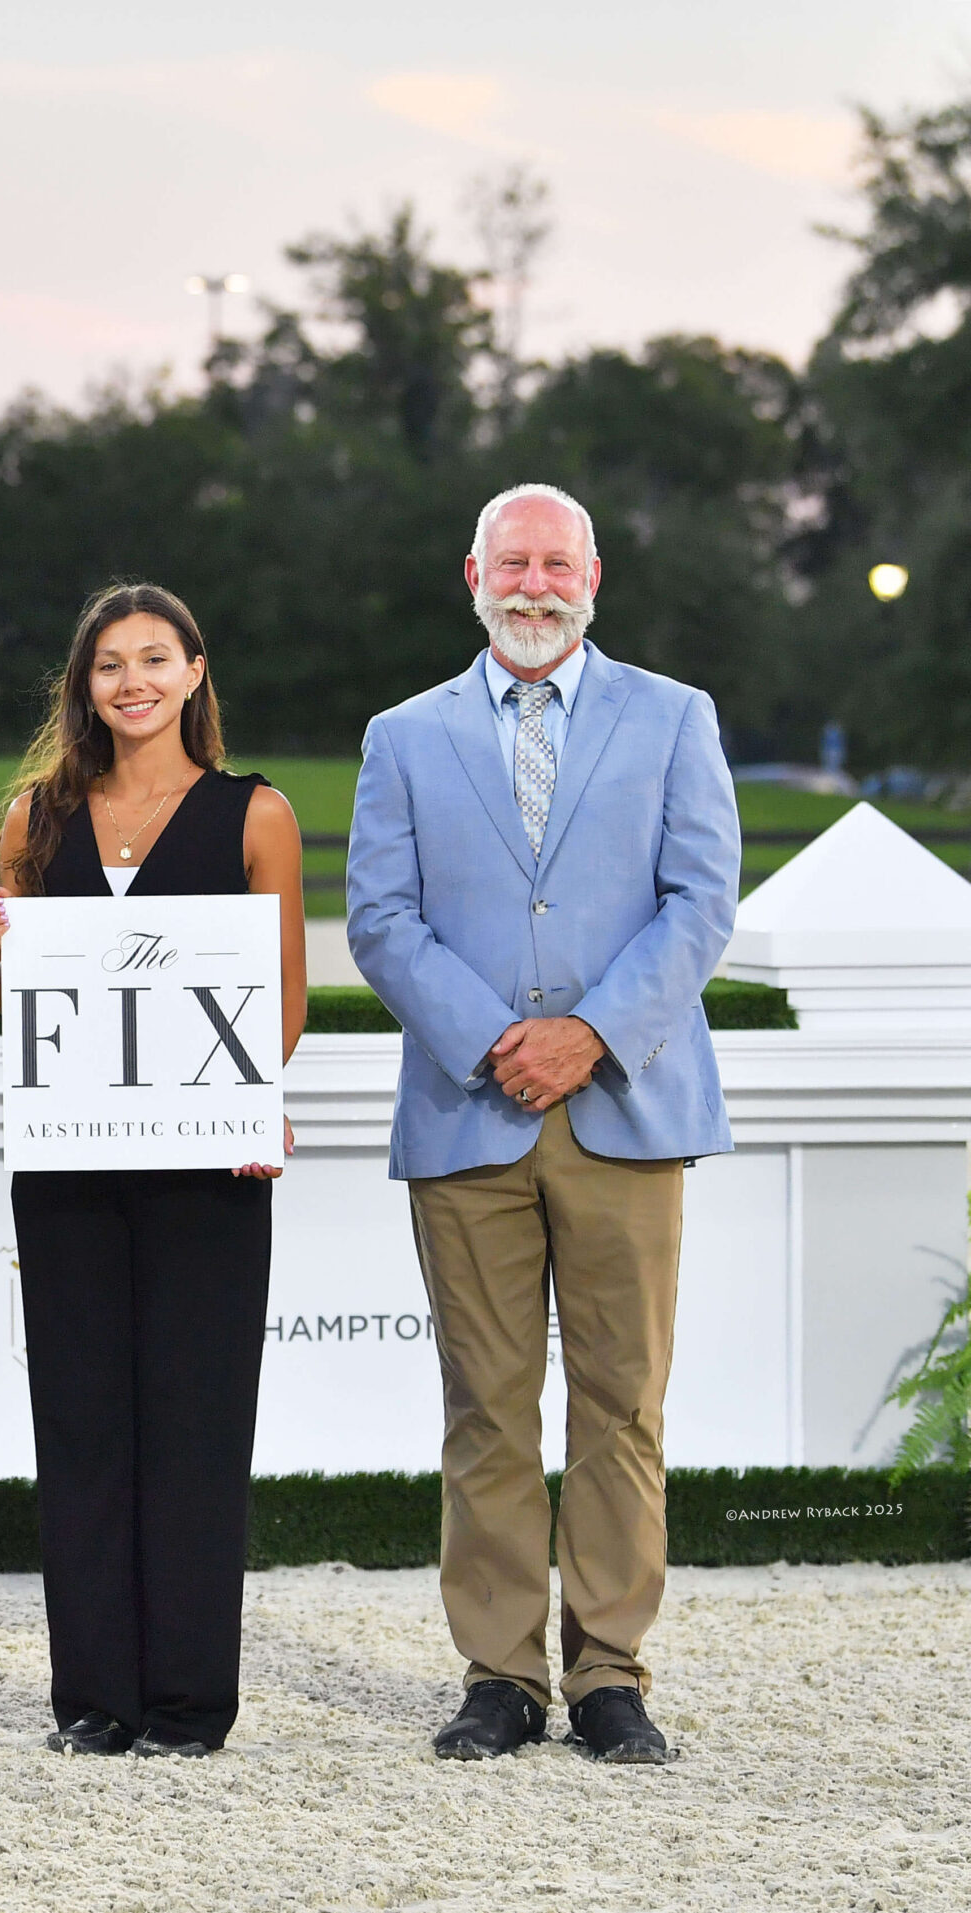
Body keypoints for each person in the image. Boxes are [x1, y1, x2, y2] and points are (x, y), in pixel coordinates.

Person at [347, 484, 738, 1766]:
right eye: (510, 562)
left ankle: (609, 1672)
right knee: (485, 1407)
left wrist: (589, 1033)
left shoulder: (674, 717)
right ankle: (501, 1675)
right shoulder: (403, 735)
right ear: (472, 575)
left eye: (554, 564)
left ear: (592, 577)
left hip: (627, 1103)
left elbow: (699, 901)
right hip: (469, 1112)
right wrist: (492, 1040)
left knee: (622, 1406)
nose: (532, 585)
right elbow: (380, 919)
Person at [0, 583, 305, 1757]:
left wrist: (248, 1096)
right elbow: (17, 1005)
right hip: (69, 1162)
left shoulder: (255, 814)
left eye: (154, 658)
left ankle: (189, 1702)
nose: (132, 682)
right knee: (81, 1421)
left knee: (197, 1422)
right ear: (85, 685)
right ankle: (95, 1697)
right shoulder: (36, 818)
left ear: (194, 671)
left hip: (208, 1163)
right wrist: (4, 954)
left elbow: (284, 1001)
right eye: (110, 664)